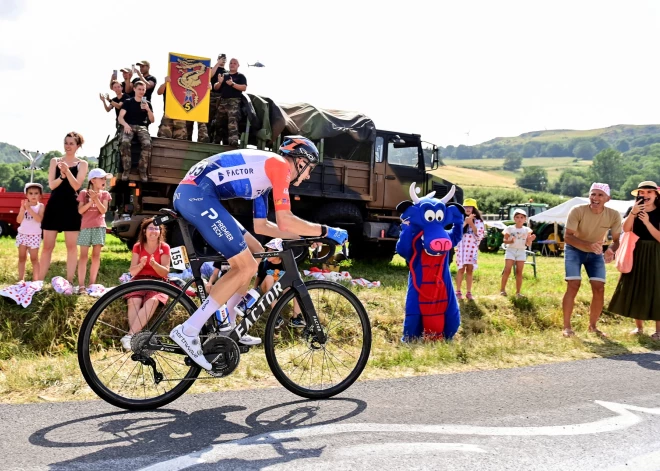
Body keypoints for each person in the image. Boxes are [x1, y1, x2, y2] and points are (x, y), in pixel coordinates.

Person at [169, 136, 348, 370]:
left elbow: (263, 226)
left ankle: (230, 322)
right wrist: (327, 231)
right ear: (300, 161)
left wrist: (306, 237)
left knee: (256, 254)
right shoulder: (281, 166)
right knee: (244, 266)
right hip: (198, 195)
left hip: (199, 194)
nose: (307, 176)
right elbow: (285, 219)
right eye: (309, 169)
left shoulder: (266, 176)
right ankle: (188, 329)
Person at [562, 182, 621, 338]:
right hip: (574, 249)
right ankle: (567, 327)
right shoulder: (577, 211)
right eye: (593, 194)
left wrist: (610, 250)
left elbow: (616, 241)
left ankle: (593, 327)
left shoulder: (613, 215)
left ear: (607, 198)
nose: (595, 198)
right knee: (574, 284)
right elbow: (567, 237)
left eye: (600, 195)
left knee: (599, 287)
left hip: (595, 253)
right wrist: (588, 245)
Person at [608, 181, 660, 338]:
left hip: (656, 252)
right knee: (636, 286)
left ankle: (659, 331)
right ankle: (639, 328)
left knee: (657, 288)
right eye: (642, 192)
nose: (645, 195)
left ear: (656, 194)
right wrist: (633, 213)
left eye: (649, 192)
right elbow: (625, 229)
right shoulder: (633, 210)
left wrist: (646, 222)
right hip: (635, 251)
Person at [40, 132, 88, 291]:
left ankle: (69, 282)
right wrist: (61, 176)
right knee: (47, 246)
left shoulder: (83, 164)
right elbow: (52, 185)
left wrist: (67, 172)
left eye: (71, 143)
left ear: (78, 146)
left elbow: (76, 186)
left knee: (71, 247)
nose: (68, 146)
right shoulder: (55, 161)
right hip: (54, 204)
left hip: (71, 207)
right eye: (66, 143)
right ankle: (39, 281)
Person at [121, 217, 171, 350]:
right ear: (144, 231)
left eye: (156, 228)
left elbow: (165, 272)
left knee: (153, 301)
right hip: (139, 280)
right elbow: (132, 271)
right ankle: (135, 339)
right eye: (150, 228)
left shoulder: (165, 247)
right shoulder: (138, 246)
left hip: (158, 282)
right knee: (134, 301)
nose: (153, 231)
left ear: (160, 232)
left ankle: (130, 336)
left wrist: (155, 265)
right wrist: (141, 265)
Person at [76, 168, 112, 294]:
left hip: (99, 227)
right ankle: (81, 286)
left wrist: (96, 199)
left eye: (105, 179)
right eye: (101, 178)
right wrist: (91, 201)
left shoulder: (105, 194)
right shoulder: (83, 193)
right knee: (83, 256)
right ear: (93, 180)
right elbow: (80, 211)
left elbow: (103, 211)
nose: (104, 181)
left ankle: (92, 284)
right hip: (86, 227)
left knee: (96, 256)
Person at [255, 238, 304, 329]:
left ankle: (296, 318)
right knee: (269, 277)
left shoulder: (287, 264)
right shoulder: (264, 263)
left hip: (280, 289)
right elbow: (258, 278)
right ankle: (276, 315)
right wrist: (254, 291)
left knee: (295, 283)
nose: (268, 252)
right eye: (268, 249)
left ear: (279, 253)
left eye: (272, 250)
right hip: (265, 289)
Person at [117, 81, 154, 182]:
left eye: (143, 89)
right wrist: (125, 125)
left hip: (142, 127)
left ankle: (142, 170)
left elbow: (152, 120)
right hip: (129, 126)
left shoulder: (147, 103)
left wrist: (148, 109)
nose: (141, 91)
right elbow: (120, 118)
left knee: (147, 144)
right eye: (139, 89)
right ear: (134, 89)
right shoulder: (128, 102)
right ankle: (126, 169)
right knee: (124, 142)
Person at [500, 209, 536, 297]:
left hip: (521, 251)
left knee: (519, 272)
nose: (519, 219)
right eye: (517, 217)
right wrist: (510, 241)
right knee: (507, 270)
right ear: (514, 218)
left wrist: (530, 240)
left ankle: (518, 292)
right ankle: (502, 290)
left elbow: (527, 243)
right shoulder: (510, 228)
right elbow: (504, 240)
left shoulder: (527, 230)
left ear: (525, 219)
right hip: (511, 250)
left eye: (522, 217)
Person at [454, 198, 485, 300]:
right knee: (461, 269)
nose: (467, 209)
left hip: (472, 248)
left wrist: (471, 223)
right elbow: (456, 232)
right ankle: (458, 291)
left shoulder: (479, 221)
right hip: (461, 248)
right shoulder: (459, 219)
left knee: (470, 269)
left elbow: (479, 235)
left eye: (470, 207)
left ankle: (468, 292)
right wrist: (466, 222)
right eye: (466, 206)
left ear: (474, 208)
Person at [16, 182, 44, 282]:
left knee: (34, 258)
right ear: (26, 195)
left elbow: (39, 219)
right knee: (22, 257)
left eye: (36, 193)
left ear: (40, 195)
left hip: (34, 235)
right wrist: (23, 210)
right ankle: (20, 279)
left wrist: (29, 209)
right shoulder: (23, 206)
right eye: (30, 193)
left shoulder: (40, 206)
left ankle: (35, 280)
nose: (33, 195)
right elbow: (19, 220)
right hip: (23, 234)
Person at [214, 58, 247, 146]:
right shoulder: (224, 75)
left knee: (232, 122)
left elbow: (244, 88)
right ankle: (216, 141)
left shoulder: (240, 76)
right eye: (231, 63)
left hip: (234, 102)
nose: (232, 64)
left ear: (238, 65)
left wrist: (232, 84)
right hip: (223, 102)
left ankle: (233, 142)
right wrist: (220, 82)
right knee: (219, 122)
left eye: (234, 63)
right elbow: (216, 87)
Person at [208, 53, 227, 143]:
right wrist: (217, 64)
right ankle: (207, 138)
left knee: (219, 120)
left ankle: (216, 140)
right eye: (221, 58)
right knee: (209, 118)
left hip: (221, 98)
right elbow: (210, 76)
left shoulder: (226, 72)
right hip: (211, 96)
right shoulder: (213, 69)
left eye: (224, 59)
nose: (222, 60)